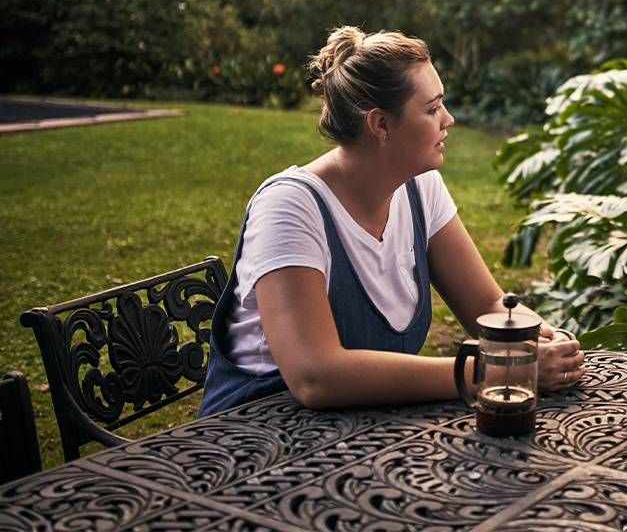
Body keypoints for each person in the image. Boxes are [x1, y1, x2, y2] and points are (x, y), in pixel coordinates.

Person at [200, 26, 585, 416]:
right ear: (380, 125)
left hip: (363, 432)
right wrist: (494, 372)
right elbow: (315, 375)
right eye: (432, 109)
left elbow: (487, 304)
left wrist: (544, 341)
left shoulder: (421, 188)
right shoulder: (291, 207)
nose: (448, 119)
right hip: (255, 432)